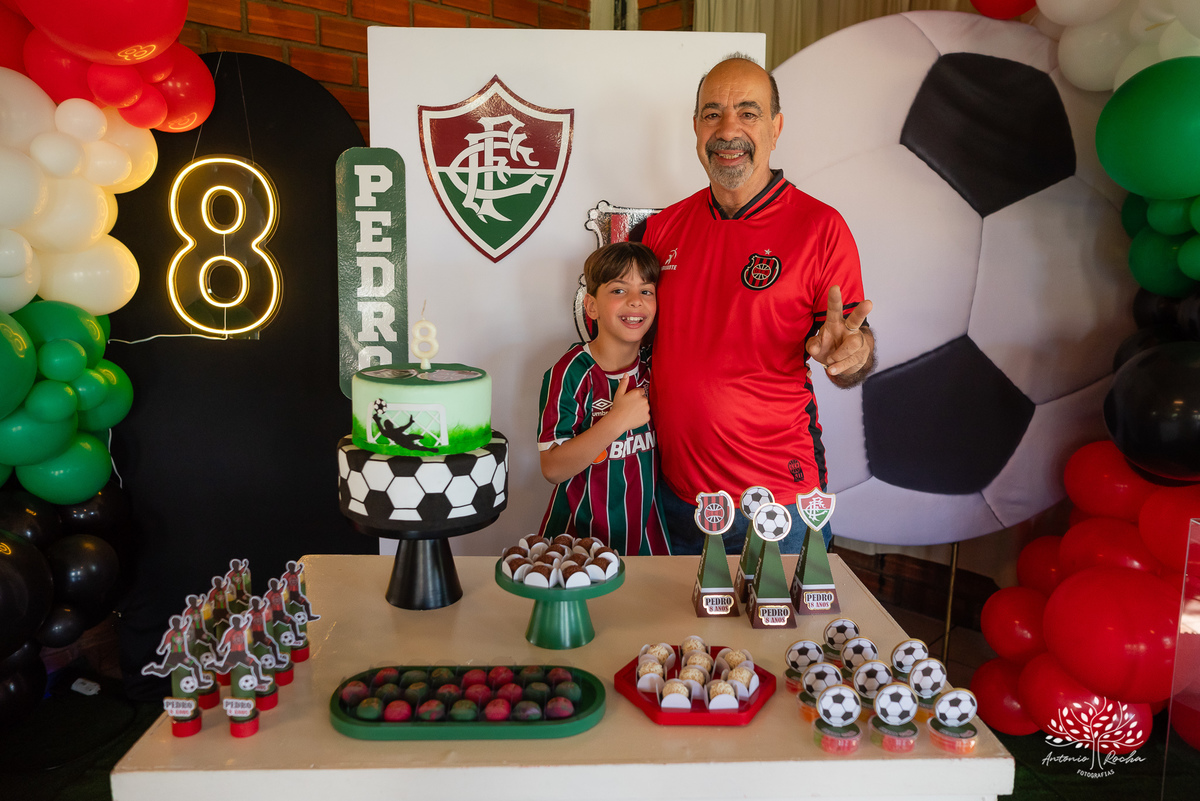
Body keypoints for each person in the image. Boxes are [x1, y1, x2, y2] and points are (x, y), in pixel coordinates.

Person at [635, 54, 877, 556]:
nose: (728, 130)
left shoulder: (819, 227)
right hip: (675, 497)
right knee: (682, 637)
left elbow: (850, 350)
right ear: (696, 128)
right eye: (712, 114)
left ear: (776, 127)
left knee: (785, 637)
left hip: (776, 504)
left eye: (748, 112)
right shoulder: (662, 229)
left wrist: (851, 354)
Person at [536, 241, 672, 555]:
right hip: (578, 541)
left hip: (647, 540)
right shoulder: (571, 371)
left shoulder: (656, 367)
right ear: (592, 306)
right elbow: (553, 468)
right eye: (619, 290)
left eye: (646, 291)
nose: (636, 302)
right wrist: (617, 421)